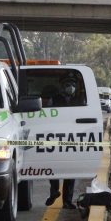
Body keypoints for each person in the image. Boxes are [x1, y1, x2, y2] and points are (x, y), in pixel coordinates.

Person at [46, 72, 82, 209]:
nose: (71, 87)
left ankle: (67, 201)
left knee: (70, 170)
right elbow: (48, 116)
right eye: (68, 84)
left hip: (72, 138)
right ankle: (54, 191)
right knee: (53, 167)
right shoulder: (54, 99)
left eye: (73, 84)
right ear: (62, 86)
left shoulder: (80, 100)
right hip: (56, 137)